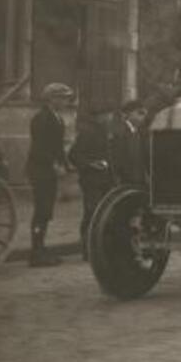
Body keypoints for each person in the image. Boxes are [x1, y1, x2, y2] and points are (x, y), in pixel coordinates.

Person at [26, 83, 74, 267]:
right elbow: (40, 148)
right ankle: (36, 252)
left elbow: (58, 147)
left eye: (66, 98)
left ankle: (40, 248)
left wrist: (66, 164)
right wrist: (54, 164)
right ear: (51, 99)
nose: (65, 101)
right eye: (62, 98)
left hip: (49, 169)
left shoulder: (57, 119)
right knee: (41, 211)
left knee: (46, 212)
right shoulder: (41, 119)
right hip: (40, 170)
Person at [69, 107, 114, 261]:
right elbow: (73, 155)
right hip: (91, 180)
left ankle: (100, 248)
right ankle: (87, 249)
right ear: (99, 116)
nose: (109, 117)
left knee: (104, 213)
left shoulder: (107, 132)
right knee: (92, 213)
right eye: (107, 114)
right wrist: (90, 164)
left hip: (106, 180)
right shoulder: (87, 133)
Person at [110, 99, 149, 187]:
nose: (143, 117)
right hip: (125, 182)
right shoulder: (120, 132)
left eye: (144, 114)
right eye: (140, 113)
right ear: (128, 114)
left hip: (138, 180)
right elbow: (116, 159)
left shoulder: (139, 132)